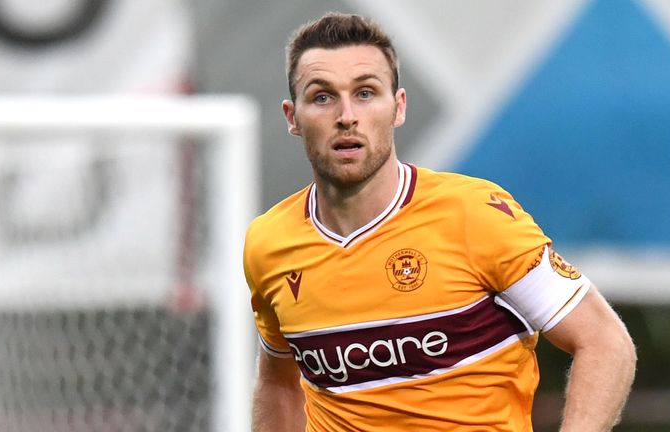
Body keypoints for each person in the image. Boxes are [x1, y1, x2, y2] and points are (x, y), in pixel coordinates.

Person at [243, 12, 636, 432]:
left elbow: (604, 342)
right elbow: (278, 384)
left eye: (365, 93)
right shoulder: (269, 243)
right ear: (291, 117)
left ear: (398, 108)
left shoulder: (474, 215)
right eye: (322, 97)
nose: (346, 116)